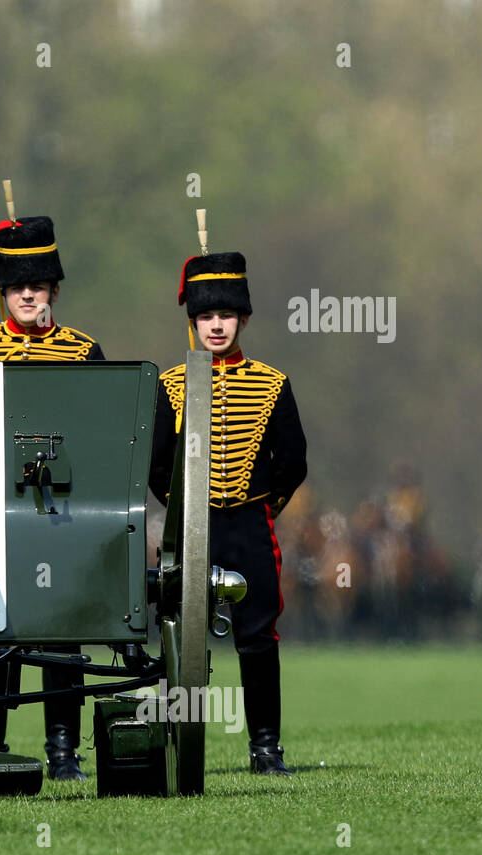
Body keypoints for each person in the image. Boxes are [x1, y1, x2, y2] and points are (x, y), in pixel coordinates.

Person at [0, 213, 105, 781]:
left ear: (54, 291)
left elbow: (98, 438)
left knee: (61, 633)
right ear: (3, 292)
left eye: (36, 286)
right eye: (16, 287)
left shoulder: (84, 352)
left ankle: (64, 752)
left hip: (58, 515)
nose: (26, 295)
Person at [149, 250, 308, 775]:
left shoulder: (271, 383)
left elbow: (293, 462)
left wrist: (263, 505)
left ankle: (265, 746)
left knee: (259, 636)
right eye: (206, 316)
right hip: (190, 524)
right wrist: (182, 511)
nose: (216, 325)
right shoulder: (171, 386)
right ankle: (178, 739)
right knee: (178, 633)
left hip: (249, 523)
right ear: (192, 321)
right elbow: (155, 466)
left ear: (242, 319)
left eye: (225, 316)